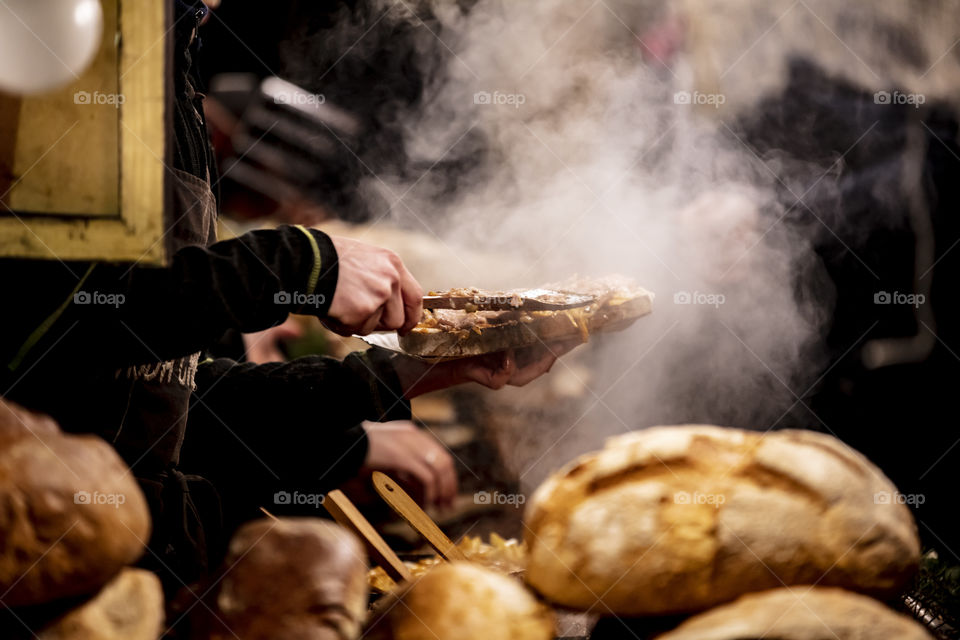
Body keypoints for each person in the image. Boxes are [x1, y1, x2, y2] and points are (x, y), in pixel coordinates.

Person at [0, 0, 578, 590]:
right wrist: (302, 264)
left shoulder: (169, 53)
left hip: (135, 562)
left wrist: (412, 373)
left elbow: (167, 402)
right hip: (48, 565)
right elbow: (46, 329)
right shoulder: (71, 42)